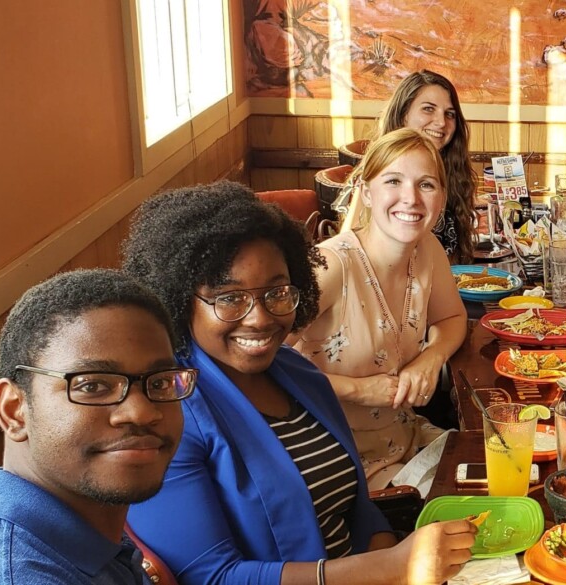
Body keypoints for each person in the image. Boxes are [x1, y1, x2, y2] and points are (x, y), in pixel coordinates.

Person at [123, 181, 475, 584]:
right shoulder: (166, 415)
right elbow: (210, 577)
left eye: (277, 292)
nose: (259, 318)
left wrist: (393, 569)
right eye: (229, 298)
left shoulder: (300, 374)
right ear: (181, 299)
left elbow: (359, 510)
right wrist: (394, 567)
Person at [0, 268, 193, 584]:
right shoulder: (21, 574)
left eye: (160, 382)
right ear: (14, 410)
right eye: (93, 386)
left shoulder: (86, 530)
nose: (141, 412)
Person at [291, 128, 467, 489]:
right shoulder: (329, 267)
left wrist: (430, 358)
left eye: (426, 185)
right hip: (335, 460)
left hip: (404, 437)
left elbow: (452, 318)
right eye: (393, 181)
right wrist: (357, 390)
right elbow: (257, 367)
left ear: (442, 197)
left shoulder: (427, 248)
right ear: (366, 193)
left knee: (501, 471)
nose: (411, 199)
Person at [377, 69, 476, 265]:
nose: (441, 122)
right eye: (428, 109)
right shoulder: (377, 171)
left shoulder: (449, 171)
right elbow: (348, 251)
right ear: (403, 113)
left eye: (450, 114)